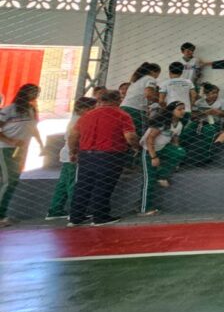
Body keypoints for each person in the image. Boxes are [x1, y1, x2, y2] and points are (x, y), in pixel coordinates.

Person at [68, 89, 139, 227]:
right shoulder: (122, 115)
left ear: (100, 100)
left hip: (86, 154)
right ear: (118, 100)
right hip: (110, 154)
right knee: (104, 185)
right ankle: (100, 216)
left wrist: (73, 152)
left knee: (83, 185)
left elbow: (73, 135)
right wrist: (136, 147)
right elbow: (130, 136)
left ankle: (76, 217)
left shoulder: (87, 115)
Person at [46, 96, 97, 220]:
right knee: (73, 183)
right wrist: (73, 153)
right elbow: (72, 138)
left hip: (67, 155)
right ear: (84, 108)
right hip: (73, 155)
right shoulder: (79, 120)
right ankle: (75, 211)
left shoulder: (76, 118)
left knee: (63, 183)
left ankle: (55, 209)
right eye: (93, 108)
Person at [0, 84, 42, 226]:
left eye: (37, 92)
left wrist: (40, 143)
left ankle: (3, 213)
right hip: (6, 149)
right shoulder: (9, 109)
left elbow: (33, 128)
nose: (36, 95)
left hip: (21, 149)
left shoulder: (31, 109)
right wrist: (10, 140)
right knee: (9, 181)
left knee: (12, 181)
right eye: (33, 92)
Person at [139, 102, 188, 216]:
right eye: (179, 109)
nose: (183, 111)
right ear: (171, 111)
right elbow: (149, 140)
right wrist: (154, 157)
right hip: (149, 150)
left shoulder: (179, 124)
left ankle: (161, 176)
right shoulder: (162, 122)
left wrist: (175, 154)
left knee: (180, 152)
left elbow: (175, 140)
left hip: (163, 148)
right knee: (149, 180)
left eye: (184, 109)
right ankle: (145, 209)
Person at [184, 83, 224, 166]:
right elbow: (192, 116)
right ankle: (183, 156)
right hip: (199, 122)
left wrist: (220, 113)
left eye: (217, 93)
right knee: (186, 133)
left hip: (213, 123)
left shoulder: (221, 102)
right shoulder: (199, 102)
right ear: (206, 94)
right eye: (213, 93)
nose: (216, 95)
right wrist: (204, 113)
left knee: (209, 131)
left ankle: (204, 158)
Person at [120, 63, 160, 135]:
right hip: (136, 109)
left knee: (124, 132)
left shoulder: (136, 80)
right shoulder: (151, 79)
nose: (157, 77)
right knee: (140, 133)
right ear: (153, 72)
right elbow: (149, 94)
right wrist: (159, 101)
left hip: (124, 107)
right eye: (158, 74)